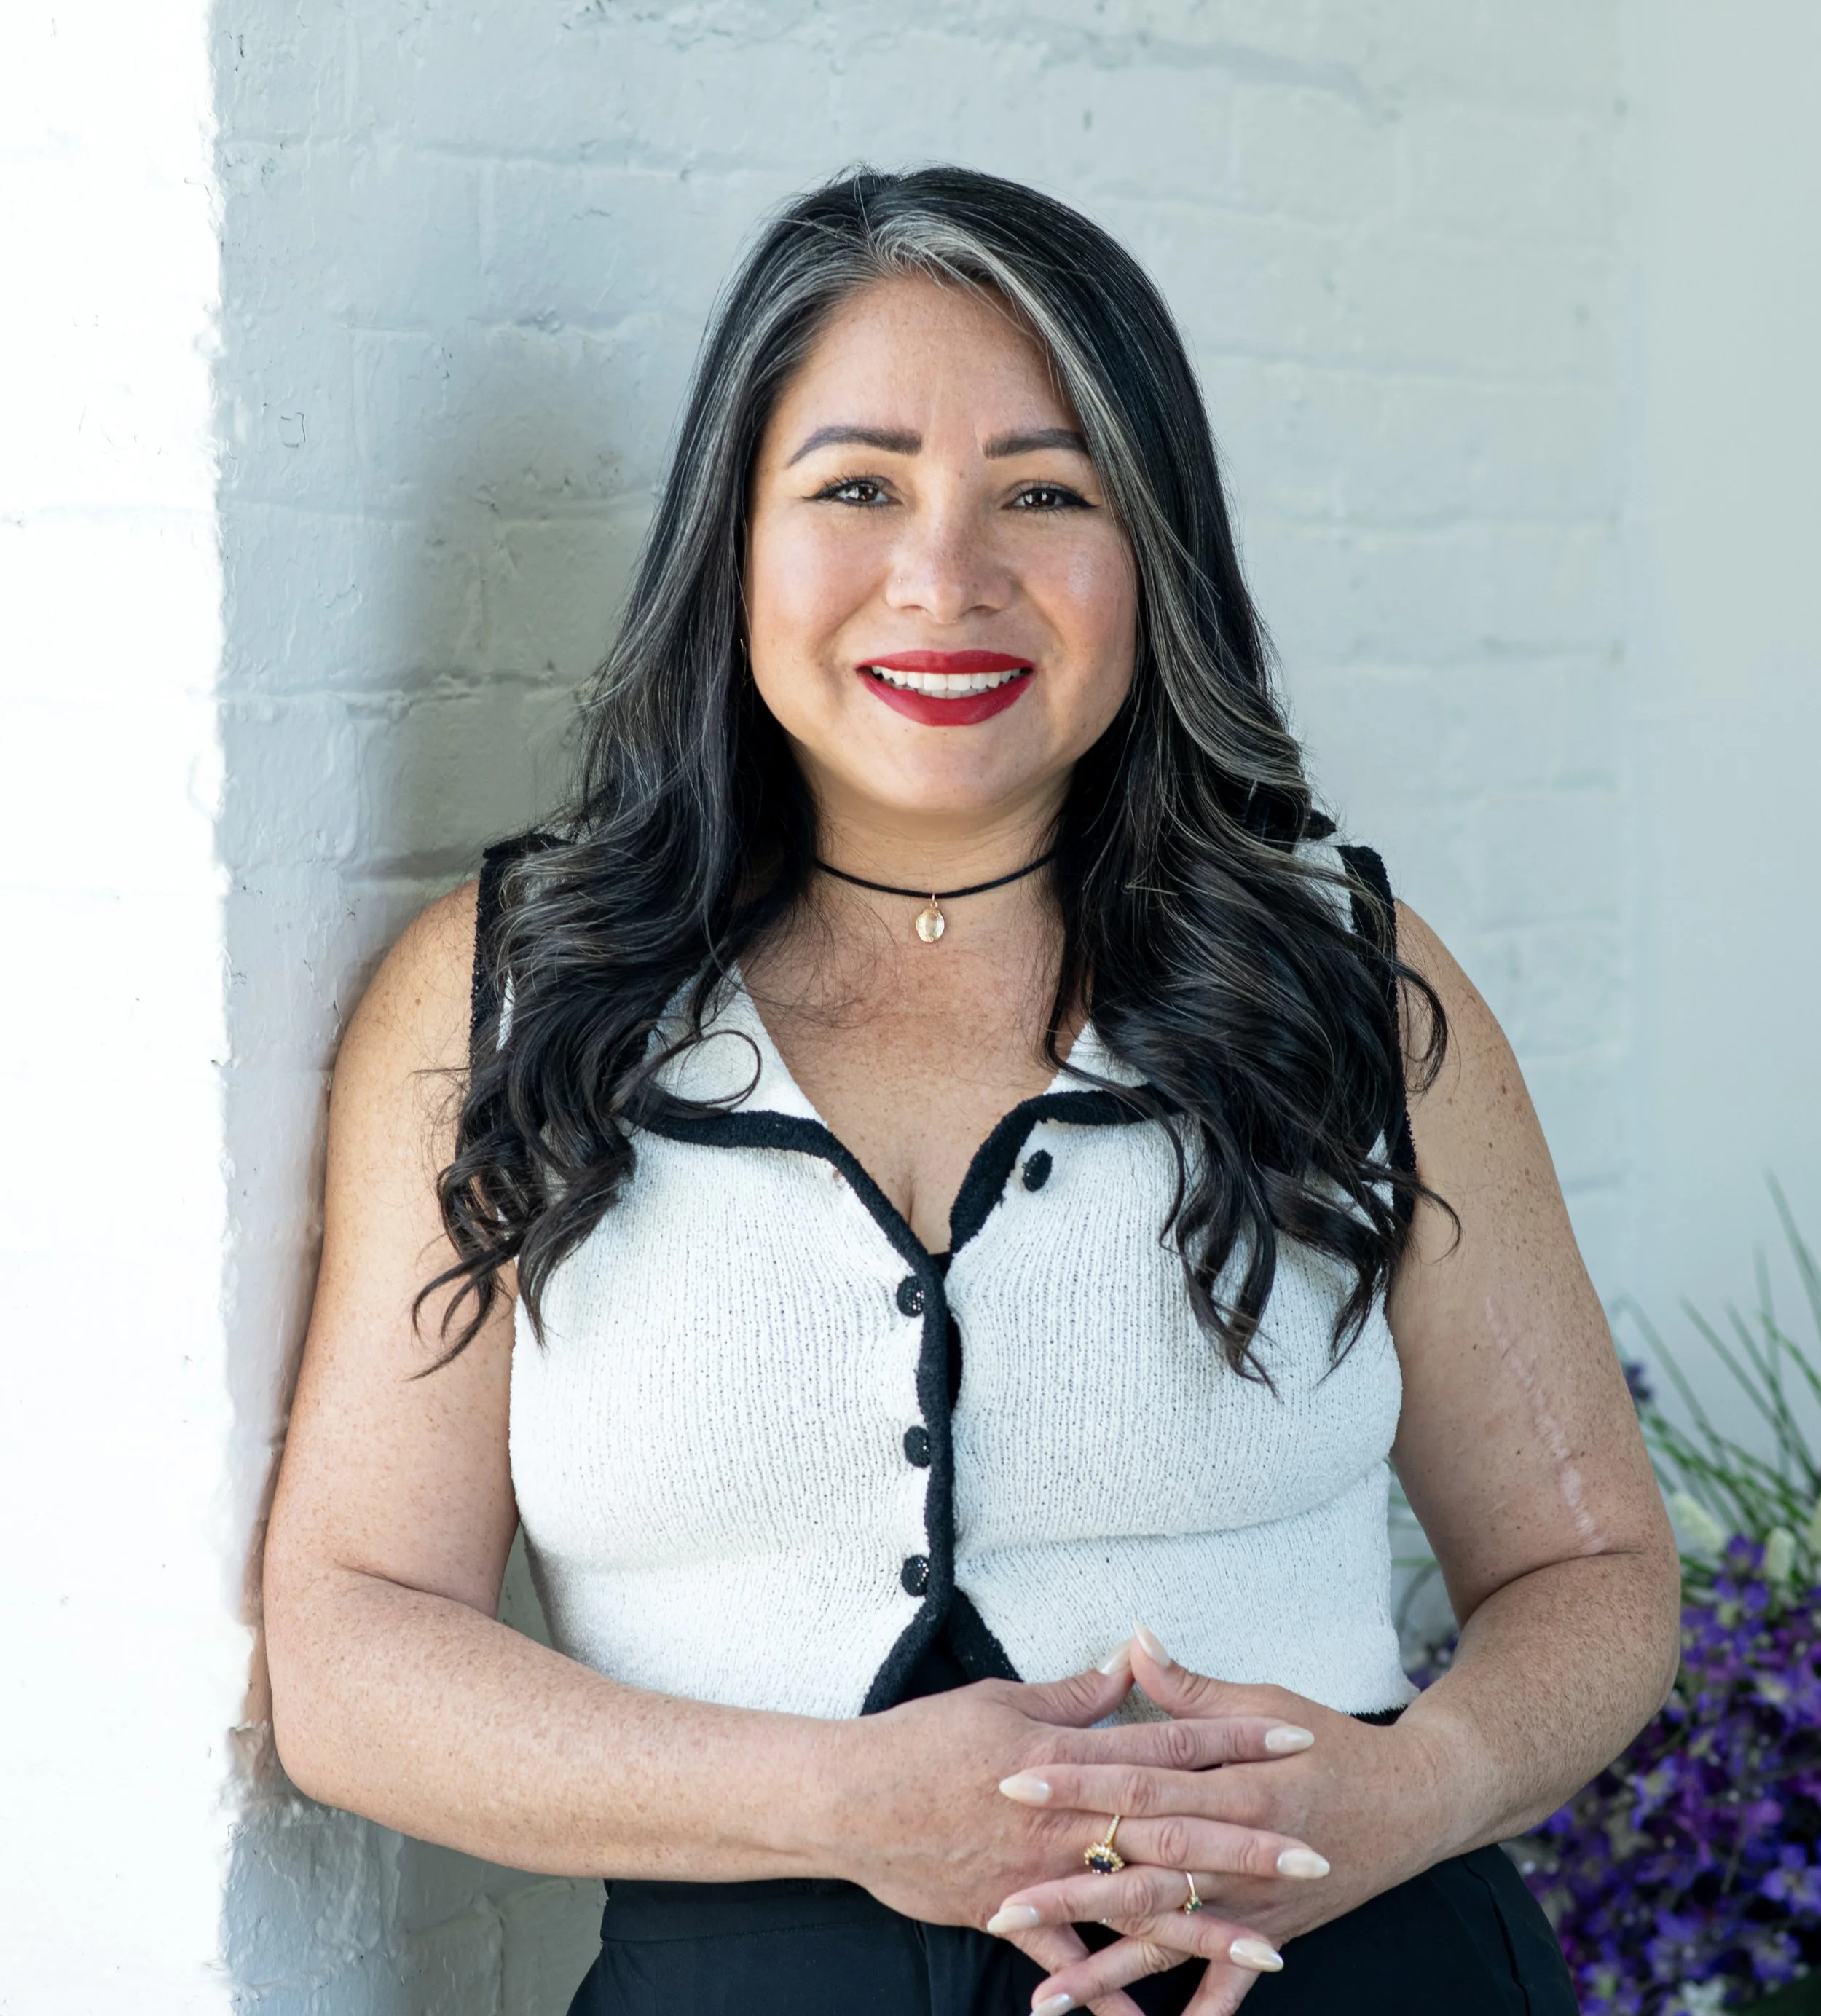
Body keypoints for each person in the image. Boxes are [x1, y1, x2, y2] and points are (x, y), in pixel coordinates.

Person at [261, 165, 1680, 2016]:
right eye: (854, 488)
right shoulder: (503, 1001)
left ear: (1148, 549)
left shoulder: (1347, 977)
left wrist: (1410, 1790)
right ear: (731, 542)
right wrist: (844, 1800)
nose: (946, 577)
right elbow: (352, 1649)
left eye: (1045, 492)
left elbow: (1589, 1563)